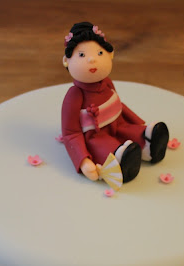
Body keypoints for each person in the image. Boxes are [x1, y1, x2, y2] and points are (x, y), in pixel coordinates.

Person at [61, 22, 168, 183]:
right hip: (95, 136)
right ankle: (122, 161)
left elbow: (119, 105)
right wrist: (83, 159)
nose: (92, 59)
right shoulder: (74, 95)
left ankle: (148, 143)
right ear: (66, 61)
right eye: (82, 55)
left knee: (132, 132)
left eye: (99, 53)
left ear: (110, 54)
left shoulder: (108, 83)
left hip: (118, 124)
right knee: (108, 147)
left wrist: (139, 124)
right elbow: (71, 133)